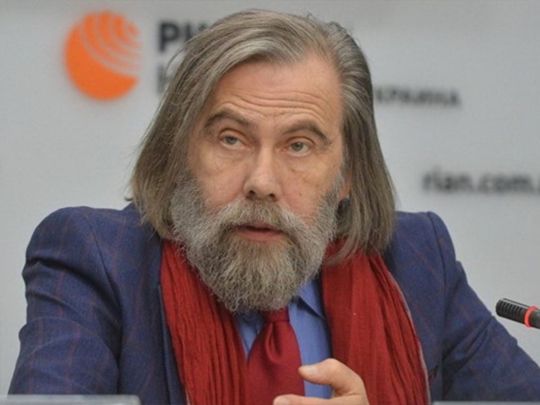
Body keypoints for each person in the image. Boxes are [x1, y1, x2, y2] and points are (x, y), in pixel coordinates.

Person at [9, 9, 540, 405]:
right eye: (231, 139)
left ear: (347, 175)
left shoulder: (417, 262)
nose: (261, 182)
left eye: (299, 145)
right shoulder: (97, 259)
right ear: (179, 153)